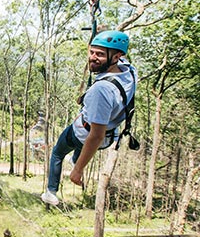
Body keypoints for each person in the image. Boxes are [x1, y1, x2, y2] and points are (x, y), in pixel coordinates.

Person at [41, 30, 137, 205]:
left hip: (85, 134)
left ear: (115, 57)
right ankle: (77, 158)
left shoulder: (101, 90)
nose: (92, 57)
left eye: (99, 54)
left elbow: (95, 135)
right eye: (92, 52)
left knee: (57, 153)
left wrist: (78, 170)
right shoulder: (129, 71)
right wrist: (98, 31)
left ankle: (51, 192)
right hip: (109, 137)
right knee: (79, 148)